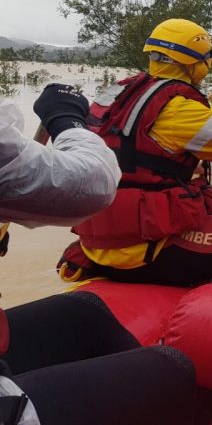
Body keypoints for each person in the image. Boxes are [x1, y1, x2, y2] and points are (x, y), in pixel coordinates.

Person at [1, 84, 198, 425]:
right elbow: (90, 183)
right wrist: (65, 117)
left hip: (103, 250)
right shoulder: (187, 109)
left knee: (86, 311)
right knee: (172, 366)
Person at [59, 18, 212, 286]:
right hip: (143, 249)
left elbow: (131, 153)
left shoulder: (117, 93)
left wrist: (177, 164)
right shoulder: (178, 108)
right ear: (196, 62)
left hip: (100, 236)